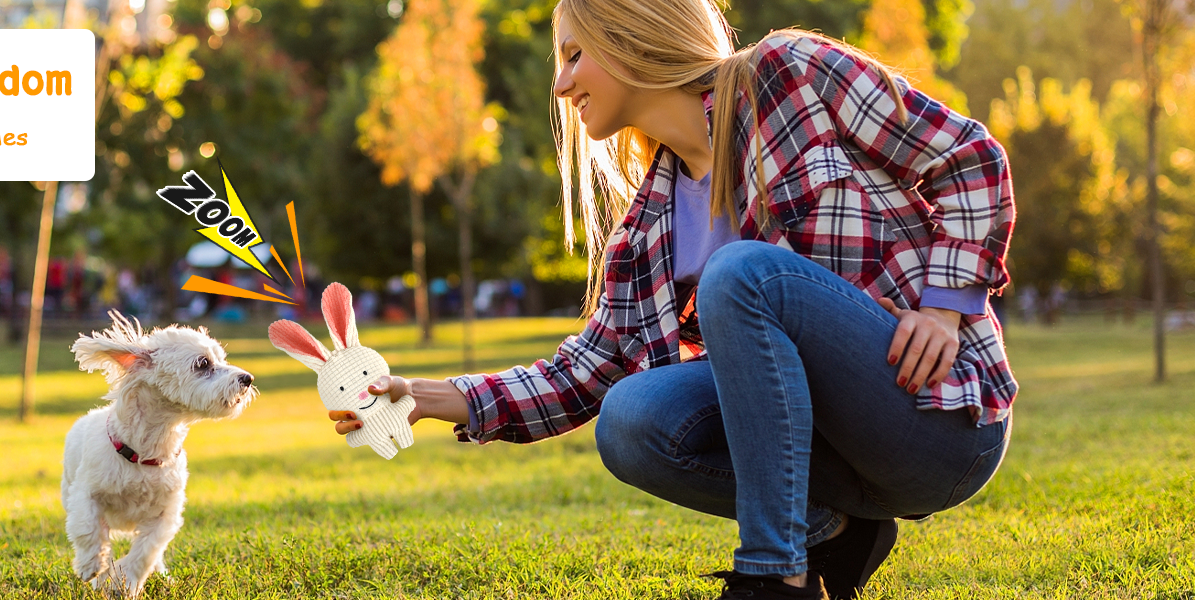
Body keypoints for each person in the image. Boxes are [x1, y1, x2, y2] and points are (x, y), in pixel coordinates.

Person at [333, 1, 1016, 598]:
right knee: (629, 418)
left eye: (575, 54)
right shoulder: (647, 228)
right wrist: (428, 396)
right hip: (840, 464)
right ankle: (832, 533)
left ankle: (775, 577)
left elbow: (970, 157)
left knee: (741, 274)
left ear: (631, 35)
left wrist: (945, 304)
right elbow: (587, 373)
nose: (561, 82)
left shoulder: (791, 73)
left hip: (935, 418)